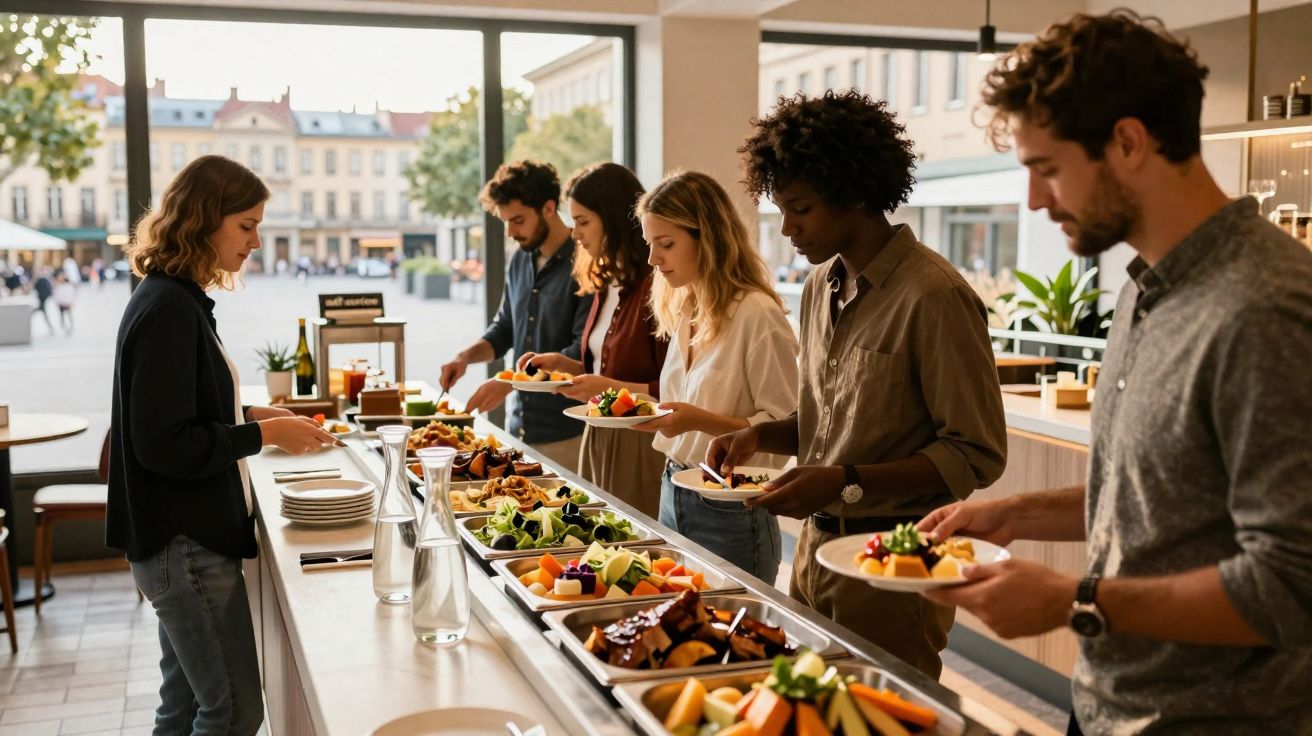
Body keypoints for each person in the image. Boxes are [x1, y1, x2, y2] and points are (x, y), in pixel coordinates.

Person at [915, 11, 1312, 734]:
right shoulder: (1143, 288)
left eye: (1047, 168)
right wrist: (1015, 515)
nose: (1035, 200)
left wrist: (1078, 600)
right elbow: (1160, 495)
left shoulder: (1266, 307)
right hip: (1106, 707)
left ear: (1129, 141)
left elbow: (1292, 584)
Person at [710, 90, 1008, 678]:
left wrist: (842, 483)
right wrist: (760, 436)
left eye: (801, 209)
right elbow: (831, 421)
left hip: (892, 566)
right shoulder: (819, 288)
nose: (787, 228)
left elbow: (975, 455)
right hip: (813, 555)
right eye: (782, 210)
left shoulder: (935, 297)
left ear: (854, 192)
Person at [109, 155, 337, 736]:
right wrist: (263, 434)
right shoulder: (168, 308)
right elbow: (163, 443)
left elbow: (184, 409)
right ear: (205, 219)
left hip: (172, 540)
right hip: (184, 544)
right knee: (233, 710)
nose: (257, 241)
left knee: (183, 708)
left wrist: (253, 413)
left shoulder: (172, 297)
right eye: (246, 225)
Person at [633, 171, 799, 584]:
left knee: (736, 639)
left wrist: (696, 420)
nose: (654, 260)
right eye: (650, 245)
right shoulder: (686, 306)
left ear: (707, 237)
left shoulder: (757, 314)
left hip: (731, 506)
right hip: (673, 487)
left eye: (666, 244)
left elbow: (788, 428)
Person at [516, 162, 669, 518]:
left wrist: (608, 386)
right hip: (598, 434)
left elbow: (674, 389)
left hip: (641, 443)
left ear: (614, 220)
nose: (574, 233)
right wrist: (564, 364)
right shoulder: (605, 283)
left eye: (583, 222)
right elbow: (606, 364)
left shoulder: (655, 288)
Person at [438, 161, 589, 471]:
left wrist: (510, 382)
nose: (510, 232)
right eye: (505, 221)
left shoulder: (585, 260)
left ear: (549, 208)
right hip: (518, 428)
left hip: (569, 435)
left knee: (567, 516)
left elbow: (580, 353)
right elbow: (504, 329)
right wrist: (464, 357)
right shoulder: (521, 260)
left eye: (518, 220)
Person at [30, 269, 54, 334]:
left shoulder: (43, 280)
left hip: (42, 301)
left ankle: (51, 328)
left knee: (32, 313)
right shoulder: (42, 280)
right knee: (44, 315)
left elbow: (48, 291)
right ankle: (51, 328)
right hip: (42, 301)